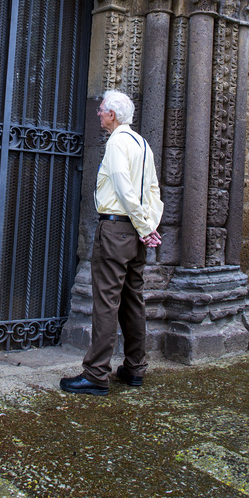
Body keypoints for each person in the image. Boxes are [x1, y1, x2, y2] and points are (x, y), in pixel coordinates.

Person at [60, 89, 163, 396]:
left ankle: (95, 374)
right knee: (133, 298)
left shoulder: (118, 142)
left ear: (113, 115)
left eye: (101, 110)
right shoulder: (142, 143)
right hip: (134, 233)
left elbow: (123, 185)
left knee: (107, 301)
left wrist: (145, 227)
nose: (98, 113)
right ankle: (134, 368)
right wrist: (148, 226)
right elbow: (154, 191)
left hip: (117, 229)